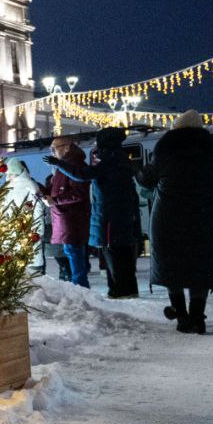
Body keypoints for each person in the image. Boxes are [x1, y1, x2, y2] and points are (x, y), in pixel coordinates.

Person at [137, 110, 213, 334]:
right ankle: (197, 316)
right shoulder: (210, 147)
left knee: (171, 263)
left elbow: (147, 178)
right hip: (203, 214)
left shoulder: (166, 146)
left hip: (169, 214)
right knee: (200, 264)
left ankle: (181, 315)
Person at [46, 127, 142, 298]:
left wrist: (58, 163)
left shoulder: (111, 161)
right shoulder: (119, 159)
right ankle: (122, 291)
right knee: (118, 253)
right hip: (117, 214)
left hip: (112, 216)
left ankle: (121, 292)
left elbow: (83, 175)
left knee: (115, 253)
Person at [40, 137, 92, 288]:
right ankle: (79, 288)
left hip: (72, 219)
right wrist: (42, 191)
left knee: (74, 254)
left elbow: (78, 194)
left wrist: (54, 201)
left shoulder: (73, 166)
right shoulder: (63, 166)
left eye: (54, 148)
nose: (52, 152)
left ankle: (81, 289)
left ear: (67, 148)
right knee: (72, 254)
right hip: (66, 219)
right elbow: (57, 190)